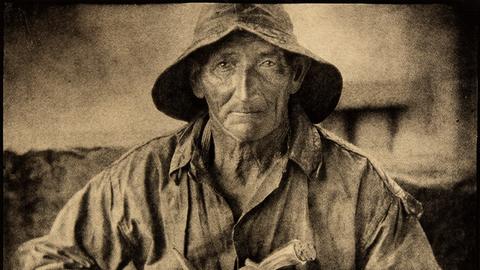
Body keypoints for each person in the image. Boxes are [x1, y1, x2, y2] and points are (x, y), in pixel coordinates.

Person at [15, 4, 440, 270]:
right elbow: (44, 260)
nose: (245, 89)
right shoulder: (139, 178)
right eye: (224, 66)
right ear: (198, 81)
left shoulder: (362, 185)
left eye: (268, 64)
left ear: (295, 75)